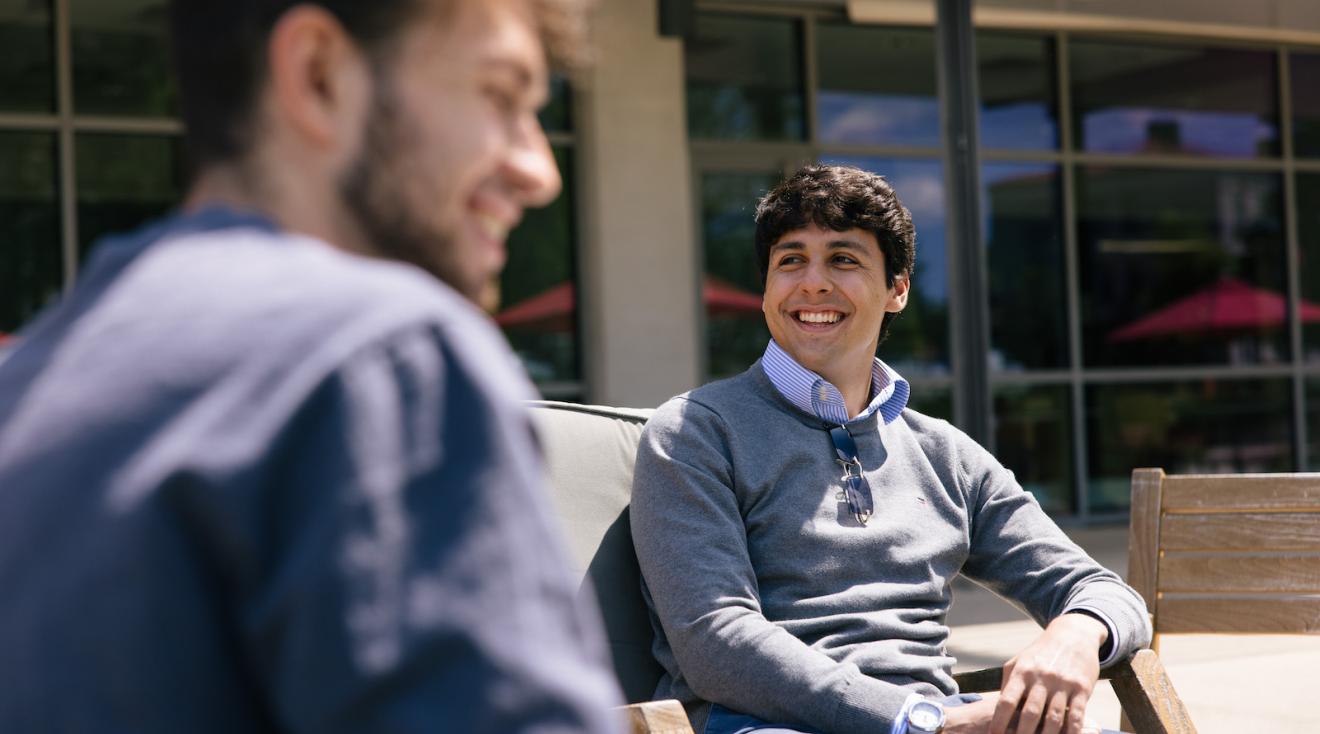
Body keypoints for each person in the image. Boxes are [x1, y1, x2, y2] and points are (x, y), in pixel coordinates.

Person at [0, 1, 624, 732]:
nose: (538, 170)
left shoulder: (39, 376)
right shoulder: (383, 360)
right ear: (319, 74)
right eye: (499, 96)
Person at [631, 165, 1151, 734]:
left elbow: (1100, 590)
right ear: (766, 292)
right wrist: (918, 722)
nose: (812, 283)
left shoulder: (944, 454)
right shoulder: (695, 433)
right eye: (791, 260)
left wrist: (1075, 633)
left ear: (898, 290)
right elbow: (716, 641)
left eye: (843, 259)